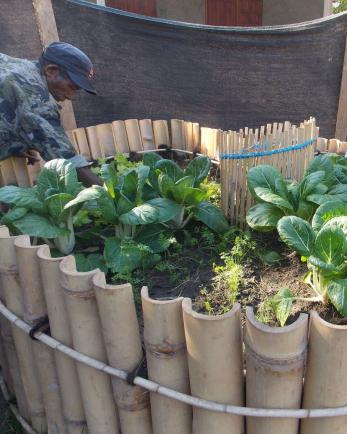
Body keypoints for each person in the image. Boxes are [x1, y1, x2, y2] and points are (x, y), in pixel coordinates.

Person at [0, 41, 101, 186]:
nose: (70, 96)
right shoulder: (36, 96)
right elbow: (68, 162)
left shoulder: (17, 66)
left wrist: (14, 143)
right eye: (72, 87)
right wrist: (109, 197)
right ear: (51, 71)